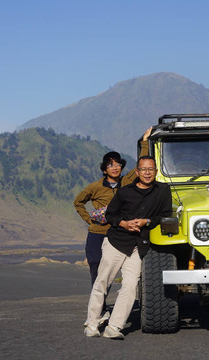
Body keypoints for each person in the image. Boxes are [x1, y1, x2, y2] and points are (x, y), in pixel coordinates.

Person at [84, 156, 172, 339]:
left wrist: (146, 221)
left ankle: (114, 327)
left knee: (131, 286)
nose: (147, 172)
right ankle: (92, 323)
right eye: (143, 169)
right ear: (137, 172)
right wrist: (124, 224)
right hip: (116, 242)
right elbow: (110, 215)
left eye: (151, 169)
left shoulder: (163, 190)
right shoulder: (124, 192)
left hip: (138, 245)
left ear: (156, 171)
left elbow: (165, 215)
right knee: (102, 281)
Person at [74, 127, 152, 286]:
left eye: (118, 164)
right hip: (98, 232)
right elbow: (78, 202)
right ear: (104, 170)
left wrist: (144, 142)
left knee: (119, 269)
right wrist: (89, 220)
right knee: (96, 265)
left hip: (118, 232)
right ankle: (100, 306)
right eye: (110, 165)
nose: (115, 167)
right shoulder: (94, 187)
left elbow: (143, 163)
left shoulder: (126, 182)